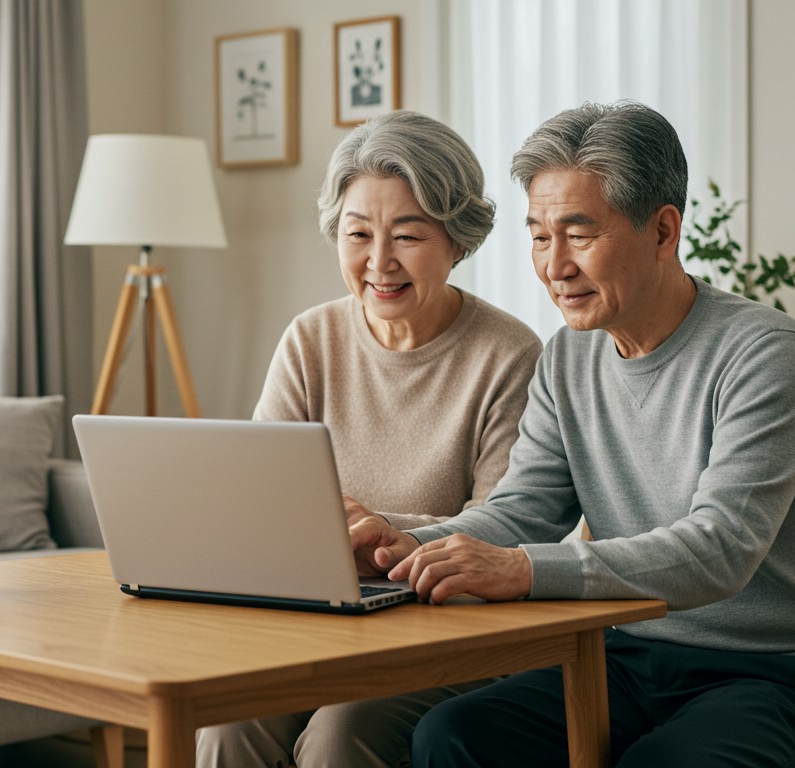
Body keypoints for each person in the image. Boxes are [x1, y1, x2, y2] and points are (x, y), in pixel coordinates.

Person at [350, 102, 795, 767]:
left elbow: (722, 548)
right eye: (540, 237)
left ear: (663, 231)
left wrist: (522, 570)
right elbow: (523, 511)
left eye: (578, 233)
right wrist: (408, 548)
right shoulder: (567, 360)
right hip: (629, 658)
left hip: (783, 676)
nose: (555, 266)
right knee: (452, 735)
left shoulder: (764, 352)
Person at [196, 110, 543, 767]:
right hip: (319, 624)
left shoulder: (509, 355)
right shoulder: (311, 339)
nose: (379, 262)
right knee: (226, 723)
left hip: (449, 630)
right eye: (358, 234)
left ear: (458, 240)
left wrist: (378, 531)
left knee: (341, 733)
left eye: (407, 236)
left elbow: (507, 529)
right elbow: (261, 504)